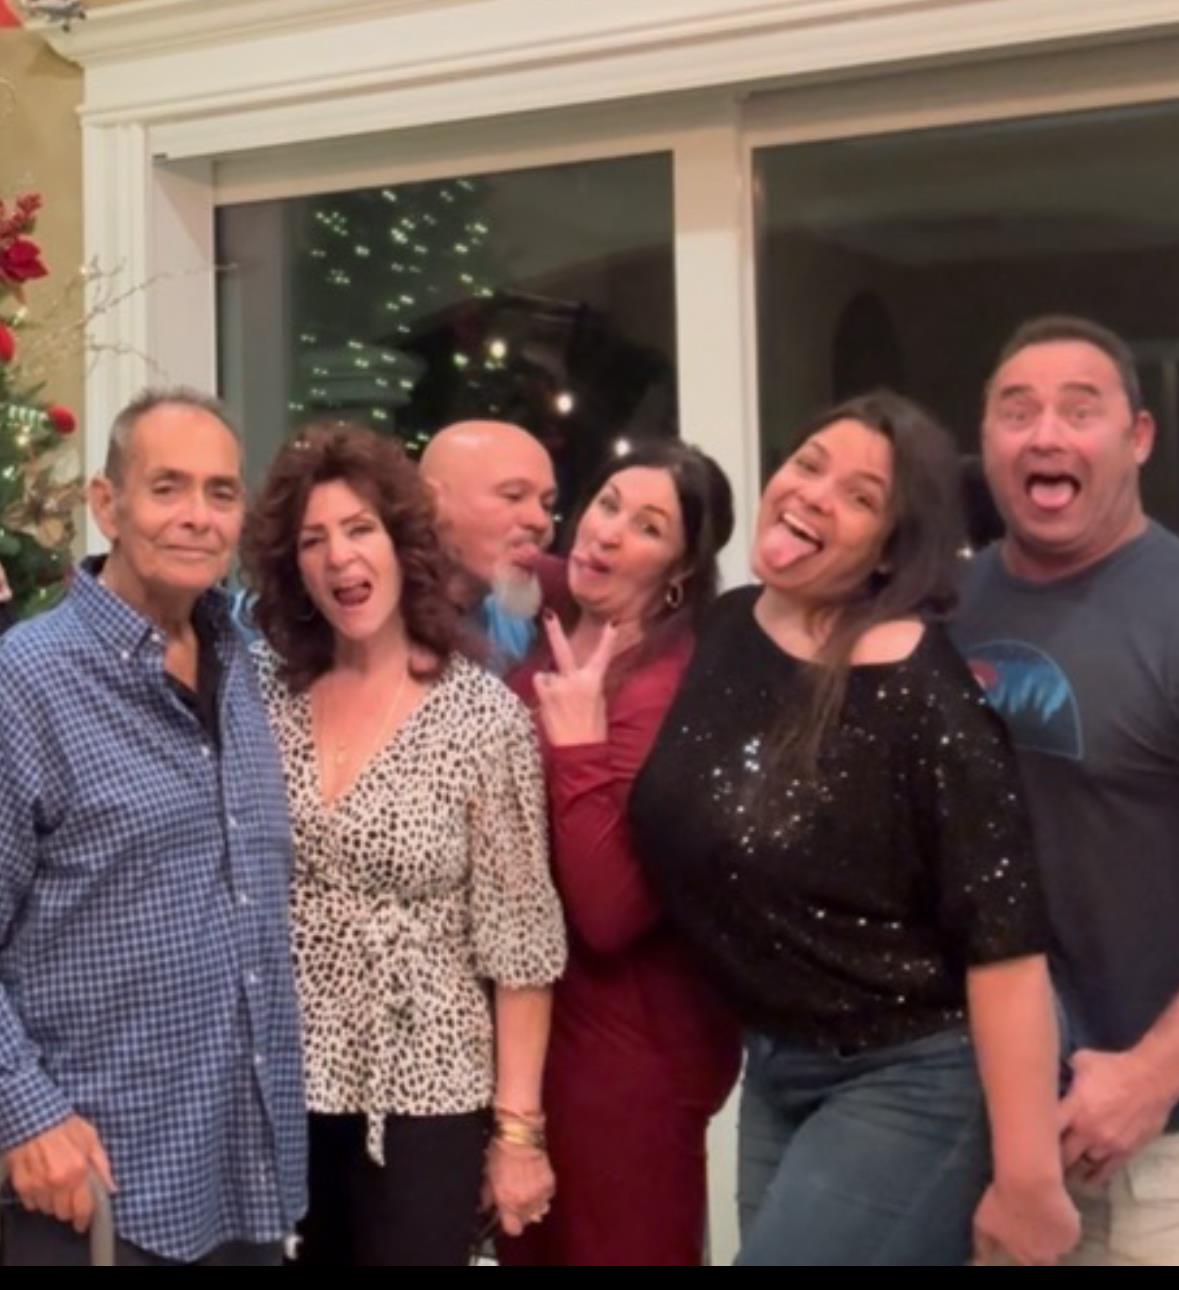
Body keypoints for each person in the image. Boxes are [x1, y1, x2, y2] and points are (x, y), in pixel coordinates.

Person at [630, 391, 1079, 1266]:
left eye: (860, 497)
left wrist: (1028, 1181)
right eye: (808, 465)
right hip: (776, 1062)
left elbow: (1006, 950)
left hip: (914, 1073)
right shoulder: (727, 626)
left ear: (890, 548)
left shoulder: (923, 699)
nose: (813, 495)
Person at [241, 423, 567, 1266]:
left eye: (359, 529)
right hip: (279, 1085)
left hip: (424, 1092)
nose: (339, 557)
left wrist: (518, 1135)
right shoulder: (260, 698)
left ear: (401, 543)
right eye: (312, 540)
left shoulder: (482, 718)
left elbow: (521, 946)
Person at [0, 387, 305, 1266]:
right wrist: (27, 1115)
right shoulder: (28, 682)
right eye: (167, 487)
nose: (197, 516)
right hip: (91, 1187)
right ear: (108, 504)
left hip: (244, 1176)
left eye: (220, 492)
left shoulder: (246, 669)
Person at [954, 315, 1179, 1265]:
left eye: (1078, 411)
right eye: (1016, 412)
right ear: (986, 442)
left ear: (1137, 436)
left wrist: (1153, 1074)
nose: (1044, 434)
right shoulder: (945, 607)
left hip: (1138, 1148)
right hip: (962, 1132)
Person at [497, 441, 742, 1266]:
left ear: (680, 570)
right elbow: (531, 563)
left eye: (647, 526)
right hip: (537, 1035)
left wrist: (577, 747)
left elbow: (608, 912)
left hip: (624, 1056)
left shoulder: (668, 689)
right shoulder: (578, 615)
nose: (606, 533)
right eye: (606, 504)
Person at [419, 419, 557, 671]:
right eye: (514, 496)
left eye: (546, 505)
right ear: (430, 502)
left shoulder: (513, 622)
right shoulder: (376, 618)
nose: (540, 521)